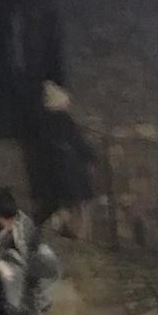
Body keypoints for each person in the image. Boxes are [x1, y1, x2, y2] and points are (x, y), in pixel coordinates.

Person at [34, 81, 100, 224]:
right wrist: (91, 157)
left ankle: (47, 225)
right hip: (69, 170)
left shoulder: (44, 123)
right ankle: (74, 231)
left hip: (54, 171)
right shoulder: (64, 121)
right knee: (75, 202)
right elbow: (78, 142)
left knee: (57, 202)